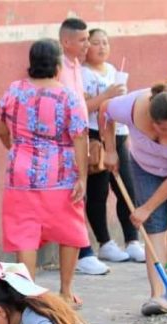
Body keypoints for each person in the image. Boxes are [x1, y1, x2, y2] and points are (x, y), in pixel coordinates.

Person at [0, 38, 89, 307]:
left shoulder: (14, 90)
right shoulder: (67, 96)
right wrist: (82, 177)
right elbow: (80, 136)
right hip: (59, 172)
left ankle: (27, 293)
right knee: (69, 229)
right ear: (58, 64)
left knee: (25, 234)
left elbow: (2, 129)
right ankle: (65, 291)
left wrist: (17, 150)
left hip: (20, 173)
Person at [100, 84, 167, 316]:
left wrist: (146, 208)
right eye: (166, 130)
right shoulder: (132, 107)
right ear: (152, 122)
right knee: (154, 228)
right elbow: (105, 109)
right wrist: (110, 149)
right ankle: (157, 295)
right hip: (145, 167)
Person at [81, 28, 146, 263]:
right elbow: (81, 108)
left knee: (127, 189)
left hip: (118, 134)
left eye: (105, 43)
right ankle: (105, 242)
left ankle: (132, 240)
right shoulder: (81, 74)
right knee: (98, 192)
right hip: (94, 135)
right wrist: (106, 95)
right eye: (96, 43)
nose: (101, 47)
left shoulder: (114, 72)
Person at [58, 18, 111, 276]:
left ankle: (85, 249)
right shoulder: (59, 68)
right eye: (82, 40)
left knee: (83, 196)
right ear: (66, 42)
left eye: (87, 39)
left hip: (79, 139)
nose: (87, 45)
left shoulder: (76, 66)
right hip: (64, 144)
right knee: (75, 198)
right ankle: (84, 252)